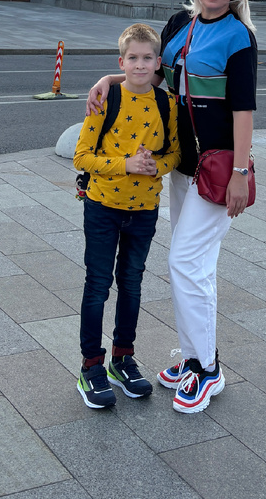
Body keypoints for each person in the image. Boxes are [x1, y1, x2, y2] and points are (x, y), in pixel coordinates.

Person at [87, 0, 257, 415]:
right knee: (195, 267)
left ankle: (205, 369)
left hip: (220, 168)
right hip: (183, 166)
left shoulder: (238, 37)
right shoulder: (179, 23)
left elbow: (243, 111)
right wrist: (109, 76)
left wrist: (241, 173)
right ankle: (194, 358)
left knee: (185, 262)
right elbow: (153, 73)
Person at [73, 22, 178, 410]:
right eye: (132, 58)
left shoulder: (167, 104)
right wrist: (126, 165)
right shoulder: (107, 98)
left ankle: (122, 358)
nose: (139, 65)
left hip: (144, 211)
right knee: (98, 286)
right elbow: (82, 156)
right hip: (102, 208)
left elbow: (175, 154)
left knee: (131, 285)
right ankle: (91, 366)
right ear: (121, 61)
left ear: (158, 63)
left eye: (147, 58)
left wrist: (156, 168)